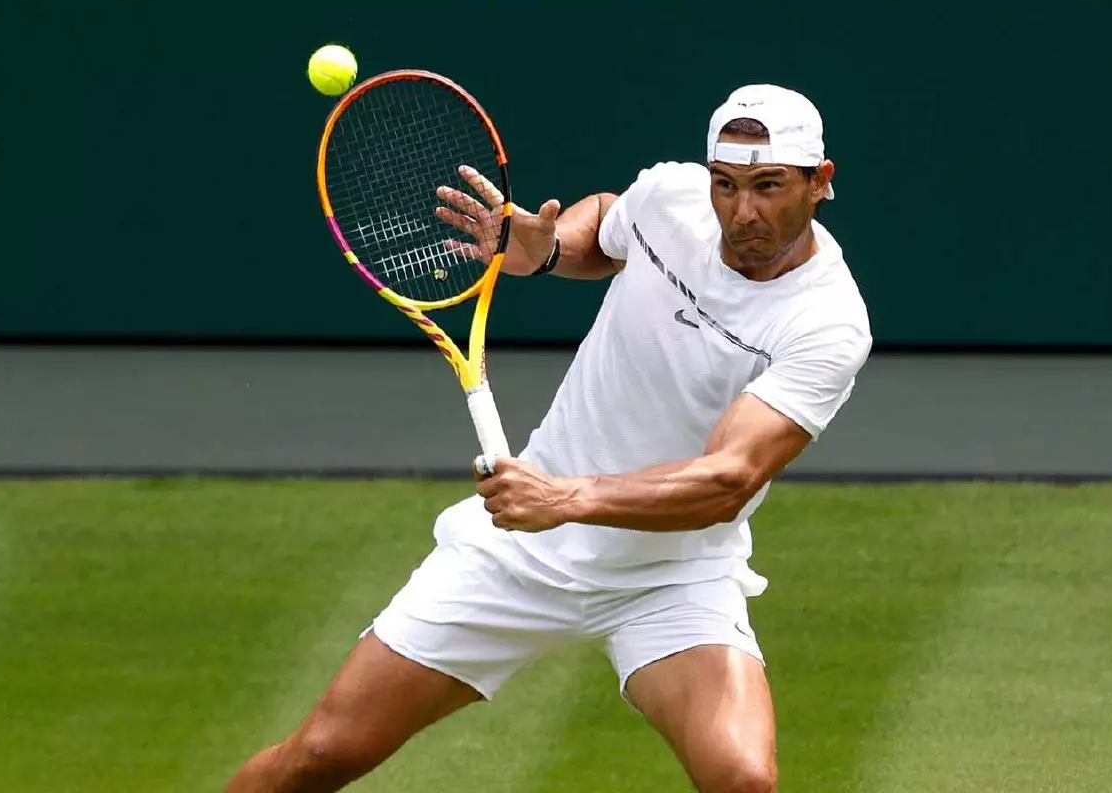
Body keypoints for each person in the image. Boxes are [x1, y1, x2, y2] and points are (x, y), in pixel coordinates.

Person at [225, 82, 872, 793]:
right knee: (321, 755)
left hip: (672, 575)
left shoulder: (827, 322)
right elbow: (608, 224)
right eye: (726, 184)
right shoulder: (671, 198)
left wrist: (567, 497)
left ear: (819, 182)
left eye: (768, 186)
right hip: (520, 554)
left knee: (743, 780)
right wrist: (549, 246)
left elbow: (728, 480)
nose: (741, 210)